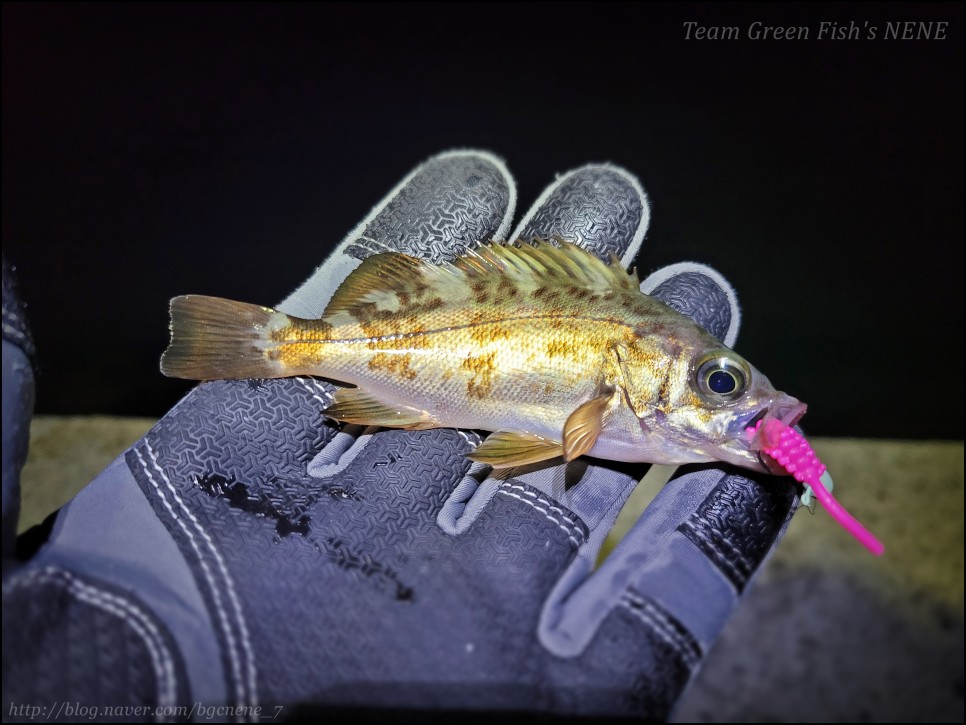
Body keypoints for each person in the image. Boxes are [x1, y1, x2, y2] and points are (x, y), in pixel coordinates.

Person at [1, 151, 796, 721]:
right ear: (641, 356)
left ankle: (290, 342)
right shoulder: (609, 397)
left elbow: (553, 439)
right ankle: (279, 342)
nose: (734, 400)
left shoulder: (632, 409)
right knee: (314, 348)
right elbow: (563, 435)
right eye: (719, 381)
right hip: (382, 362)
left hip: (416, 382)